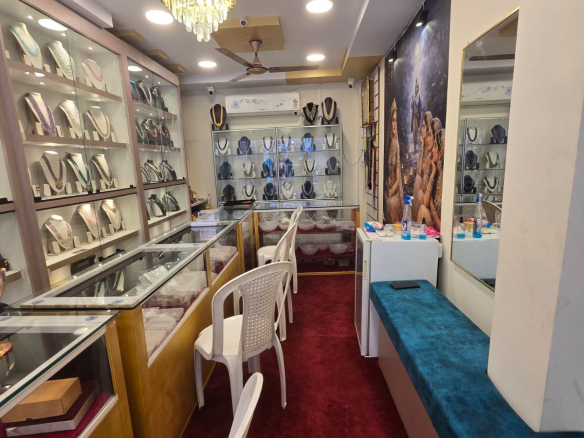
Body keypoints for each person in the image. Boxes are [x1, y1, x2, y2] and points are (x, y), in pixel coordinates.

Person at [418, 125, 445, 231]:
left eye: (435, 147)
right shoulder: (438, 175)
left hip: (441, 233)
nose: (433, 150)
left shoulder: (445, 181)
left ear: (441, 151)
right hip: (435, 228)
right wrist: (432, 172)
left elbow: (441, 227)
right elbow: (425, 202)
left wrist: (431, 204)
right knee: (422, 207)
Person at [385, 98, 404, 224]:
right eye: (392, 120)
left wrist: (391, 192)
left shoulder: (396, 144)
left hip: (394, 193)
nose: (394, 124)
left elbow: (398, 179)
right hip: (387, 190)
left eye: (396, 121)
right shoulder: (388, 145)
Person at [412, 111, 433, 218]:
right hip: (422, 190)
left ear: (428, 129)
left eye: (424, 127)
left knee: (419, 192)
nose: (421, 130)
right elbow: (419, 172)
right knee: (417, 179)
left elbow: (425, 184)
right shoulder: (425, 147)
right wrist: (422, 145)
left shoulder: (432, 152)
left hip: (427, 195)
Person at [411, 79, 422, 153]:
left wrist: (419, 116)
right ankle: (414, 147)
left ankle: (415, 147)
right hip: (414, 118)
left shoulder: (419, 97)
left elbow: (420, 107)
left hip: (417, 117)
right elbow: (411, 106)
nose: (416, 89)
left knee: (417, 132)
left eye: (417, 88)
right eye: (415, 88)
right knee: (414, 132)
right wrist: (412, 100)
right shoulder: (413, 96)